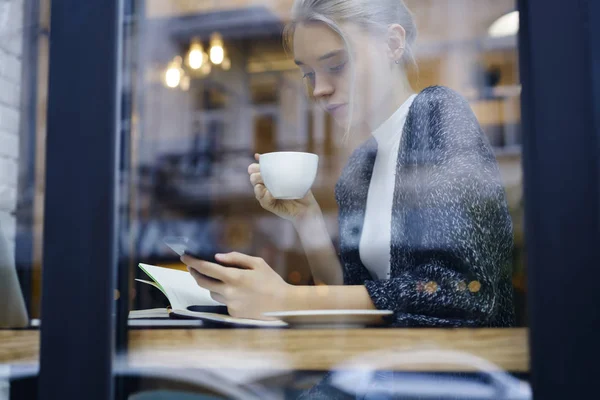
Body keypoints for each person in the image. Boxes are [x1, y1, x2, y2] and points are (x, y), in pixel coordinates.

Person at [181, 0, 515, 328]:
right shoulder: (360, 167)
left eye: (337, 65)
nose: (319, 90)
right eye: (308, 73)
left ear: (393, 44)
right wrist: (305, 218)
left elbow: (461, 293)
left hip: (451, 374)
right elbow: (353, 300)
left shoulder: (437, 114)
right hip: (382, 369)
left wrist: (287, 299)